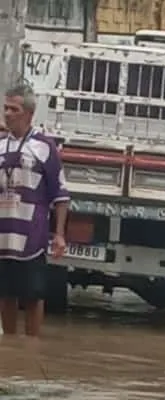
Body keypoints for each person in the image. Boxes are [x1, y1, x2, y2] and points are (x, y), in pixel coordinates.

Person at [0, 84, 70, 337]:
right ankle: (9, 343)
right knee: (5, 294)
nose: (7, 114)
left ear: (29, 113)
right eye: (5, 108)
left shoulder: (44, 146)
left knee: (32, 295)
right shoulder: (0, 145)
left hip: (32, 234)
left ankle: (31, 346)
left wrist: (59, 234)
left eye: (13, 109)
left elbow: (60, 195)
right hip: (3, 234)